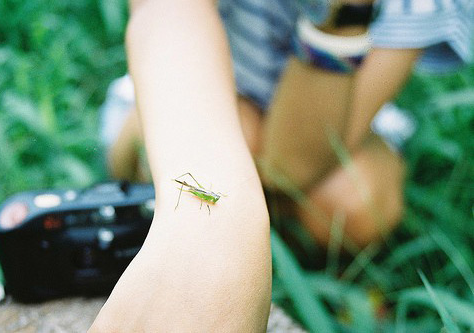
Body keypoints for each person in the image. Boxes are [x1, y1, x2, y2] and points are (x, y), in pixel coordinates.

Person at [90, 0, 472, 330]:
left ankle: (321, 269)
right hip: (199, 87)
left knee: (355, 198)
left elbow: (288, 166)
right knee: (216, 154)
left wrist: (345, 15)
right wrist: (208, 232)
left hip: (321, 117)